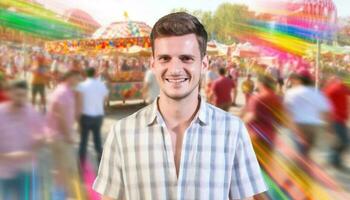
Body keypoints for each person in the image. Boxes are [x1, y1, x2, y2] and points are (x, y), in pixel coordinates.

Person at [93, 12, 266, 200]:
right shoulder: (122, 133)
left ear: (204, 64)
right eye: (164, 58)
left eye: (186, 58)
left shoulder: (232, 131)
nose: (175, 70)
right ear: (153, 64)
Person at [0, 80, 45, 199]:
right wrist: (7, 157)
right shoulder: (1, 113)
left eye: (23, 95)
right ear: (9, 93)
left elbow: (42, 134)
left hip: (27, 170)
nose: (20, 99)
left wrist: (36, 144)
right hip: (5, 172)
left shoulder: (30, 111)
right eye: (17, 95)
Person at [46, 70, 81, 198]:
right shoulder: (62, 92)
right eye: (76, 78)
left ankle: (60, 194)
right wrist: (67, 134)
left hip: (58, 136)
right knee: (68, 168)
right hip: (60, 137)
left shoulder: (64, 91)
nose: (78, 81)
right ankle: (64, 195)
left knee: (61, 167)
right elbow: (59, 115)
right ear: (70, 77)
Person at [284, 70, 330, 158]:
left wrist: (297, 132)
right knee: (305, 153)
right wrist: (328, 128)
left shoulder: (291, 92)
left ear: (299, 80)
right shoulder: (317, 93)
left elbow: (289, 114)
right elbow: (325, 111)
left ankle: (300, 166)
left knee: (301, 153)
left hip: (299, 125)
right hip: (314, 127)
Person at [76, 67, 109, 165]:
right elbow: (105, 99)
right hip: (98, 115)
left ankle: (81, 162)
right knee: (97, 140)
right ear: (95, 74)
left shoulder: (81, 86)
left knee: (83, 141)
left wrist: (77, 119)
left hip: (85, 115)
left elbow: (79, 102)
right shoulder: (101, 85)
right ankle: (101, 162)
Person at [323, 75, 350, 168]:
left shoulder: (333, 88)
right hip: (336, 119)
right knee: (344, 141)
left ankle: (333, 159)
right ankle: (333, 160)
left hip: (338, 119)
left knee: (341, 141)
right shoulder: (336, 88)